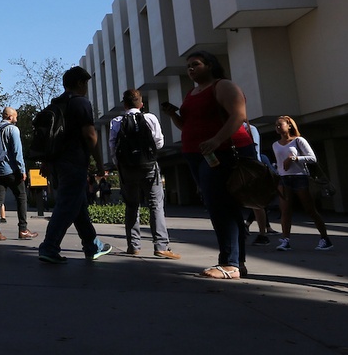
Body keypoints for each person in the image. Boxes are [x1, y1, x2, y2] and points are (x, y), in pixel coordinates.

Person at [160, 50, 256, 279]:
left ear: (210, 65)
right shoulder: (192, 92)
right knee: (220, 207)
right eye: (188, 66)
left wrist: (216, 140)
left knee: (221, 207)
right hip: (199, 155)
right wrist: (174, 115)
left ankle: (230, 264)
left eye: (196, 64)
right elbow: (189, 126)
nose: (191, 69)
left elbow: (238, 116)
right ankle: (235, 262)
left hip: (222, 153)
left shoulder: (223, 86)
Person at [37, 67, 113, 264]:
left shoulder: (56, 104)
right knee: (67, 205)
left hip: (57, 162)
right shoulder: (80, 102)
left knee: (77, 205)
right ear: (80, 83)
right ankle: (49, 246)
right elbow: (90, 135)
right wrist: (99, 162)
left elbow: (49, 136)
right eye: (86, 83)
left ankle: (92, 245)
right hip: (74, 160)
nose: (87, 87)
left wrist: (46, 161)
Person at [108, 89, 180, 259]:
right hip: (149, 167)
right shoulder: (150, 118)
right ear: (141, 104)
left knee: (132, 206)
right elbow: (159, 142)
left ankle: (133, 245)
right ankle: (161, 246)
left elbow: (113, 146)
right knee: (156, 205)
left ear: (124, 104)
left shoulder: (117, 121)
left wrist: (119, 165)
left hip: (127, 169)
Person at [272, 116, 333, 251]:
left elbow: (312, 158)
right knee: (285, 210)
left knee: (310, 209)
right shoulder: (275, 144)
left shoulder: (298, 141)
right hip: (283, 178)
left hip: (300, 177)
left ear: (289, 125)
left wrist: (294, 158)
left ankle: (325, 238)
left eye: (279, 124)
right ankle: (285, 240)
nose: (277, 127)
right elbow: (280, 164)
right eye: (275, 125)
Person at [0, 107, 38, 242]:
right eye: (16, 116)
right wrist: (22, 170)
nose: (17, 118)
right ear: (10, 117)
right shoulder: (13, 129)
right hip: (11, 171)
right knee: (21, 197)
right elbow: (17, 151)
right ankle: (23, 229)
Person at [245, 123, 279, 245]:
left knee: (257, 204)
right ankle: (260, 232)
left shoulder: (249, 128)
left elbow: (254, 150)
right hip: (241, 168)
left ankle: (262, 234)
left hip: (251, 169)